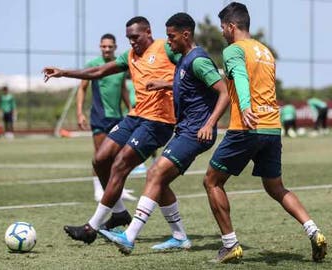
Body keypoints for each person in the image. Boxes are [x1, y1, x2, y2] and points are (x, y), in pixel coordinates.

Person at [201, 2, 327, 263]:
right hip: (271, 127)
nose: (222, 32)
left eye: (223, 27)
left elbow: (241, 78)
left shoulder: (234, 49)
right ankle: (313, 230)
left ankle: (230, 245)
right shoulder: (266, 52)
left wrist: (245, 107)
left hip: (246, 126)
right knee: (276, 186)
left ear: (232, 26)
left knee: (212, 181)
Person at [100, 12, 229, 254]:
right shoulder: (183, 59)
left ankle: (129, 236)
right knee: (159, 181)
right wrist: (164, 84)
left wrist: (209, 123)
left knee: (155, 174)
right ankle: (180, 237)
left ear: (185, 34)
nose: (167, 41)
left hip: (196, 132)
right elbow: (188, 83)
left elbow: (224, 92)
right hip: (185, 130)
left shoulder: (198, 60)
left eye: (171, 36)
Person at [43, 16, 180, 245]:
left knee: (120, 165)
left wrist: (168, 85)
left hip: (158, 121)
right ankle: (118, 213)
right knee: (100, 160)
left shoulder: (167, 48)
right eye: (129, 39)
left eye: (135, 37)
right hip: (135, 116)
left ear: (148, 31)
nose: (132, 42)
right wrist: (64, 72)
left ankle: (91, 227)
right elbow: (98, 71)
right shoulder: (130, 56)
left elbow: (189, 71)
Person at [75, 33, 136, 202]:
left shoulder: (120, 65)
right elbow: (82, 88)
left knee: (120, 157)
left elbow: (123, 89)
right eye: (104, 46)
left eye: (110, 46)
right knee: (100, 156)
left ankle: (118, 189)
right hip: (99, 117)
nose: (107, 49)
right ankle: (98, 189)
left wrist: (130, 109)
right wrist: (79, 113)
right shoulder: (93, 65)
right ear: (100, 47)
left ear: (115, 47)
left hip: (118, 117)